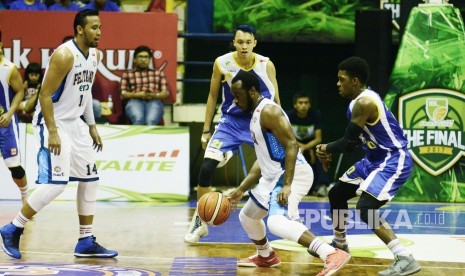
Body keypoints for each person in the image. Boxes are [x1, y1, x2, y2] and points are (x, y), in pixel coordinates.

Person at [0, 9, 117, 260]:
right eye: (94, 28)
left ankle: (85, 240)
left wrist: (92, 125)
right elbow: (44, 95)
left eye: (100, 27)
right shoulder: (64, 55)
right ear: (79, 29)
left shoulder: (95, 55)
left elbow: (84, 93)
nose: (99, 32)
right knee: (56, 185)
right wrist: (52, 132)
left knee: (91, 179)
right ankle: (12, 228)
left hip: (75, 124)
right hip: (52, 122)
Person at [228, 71, 350, 276]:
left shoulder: (269, 111)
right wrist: (241, 189)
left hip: (292, 172)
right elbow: (262, 161)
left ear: (252, 91)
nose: (235, 100)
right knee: (247, 217)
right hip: (272, 176)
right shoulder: (255, 116)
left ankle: (331, 253)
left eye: (238, 94)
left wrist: (287, 184)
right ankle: (266, 256)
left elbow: (292, 145)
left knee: (276, 222)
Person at [315, 57, 421, 275]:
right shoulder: (356, 102)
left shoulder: (365, 103)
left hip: (392, 159)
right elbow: (352, 143)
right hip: (373, 159)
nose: (337, 83)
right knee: (337, 194)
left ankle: (405, 257)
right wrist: (328, 150)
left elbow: (346, 144)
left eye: (341, 79)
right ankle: (340, 244)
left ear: (354, 81)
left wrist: (325, 148)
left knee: (365, 209)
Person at [184, 25, 280, 243]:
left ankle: (282, 217)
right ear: (234, 43)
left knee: (274, 169)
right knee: (206, 168)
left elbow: (276, 100)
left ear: (255, 43)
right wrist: (206, 130)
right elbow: (212, 96)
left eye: (248, 42)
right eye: (240, 42)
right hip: (230, 122)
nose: (244, 46)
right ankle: (200, 222)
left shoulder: (266, 65)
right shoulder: (222, 63)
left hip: (259, 121)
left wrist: (282, 128)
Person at [0, 41, 29, 204]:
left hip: (5, 124)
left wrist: (10, 113)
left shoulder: (8, 68)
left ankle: (25, 196)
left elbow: (20, 92)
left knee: (14, 166)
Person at [286, 92, 330, 197]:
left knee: (321, 152)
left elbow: (318, 138)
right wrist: (303, 148)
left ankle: (321, 186)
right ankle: (288, 185)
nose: (303, 105)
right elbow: (287, 137)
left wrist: (307, 148)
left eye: (306, 103)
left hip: (311, 145)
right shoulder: (289, 116)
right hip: (294, 145)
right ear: (295, 105)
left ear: (309, 105)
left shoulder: (316, 115)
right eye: (300, 103)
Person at [120, 45, 168, 125]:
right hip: (134, 101)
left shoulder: (158, 73)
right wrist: (138, 95)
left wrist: (153, 95)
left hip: (154, 101)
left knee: (151, 121)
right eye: (140, 57)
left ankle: (150, 138)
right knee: (138, 119)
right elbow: (123, 94)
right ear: (135, 59)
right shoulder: (127, 74)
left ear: (150, 60)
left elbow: (165, 93)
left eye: (146, 57)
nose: (143, 59)